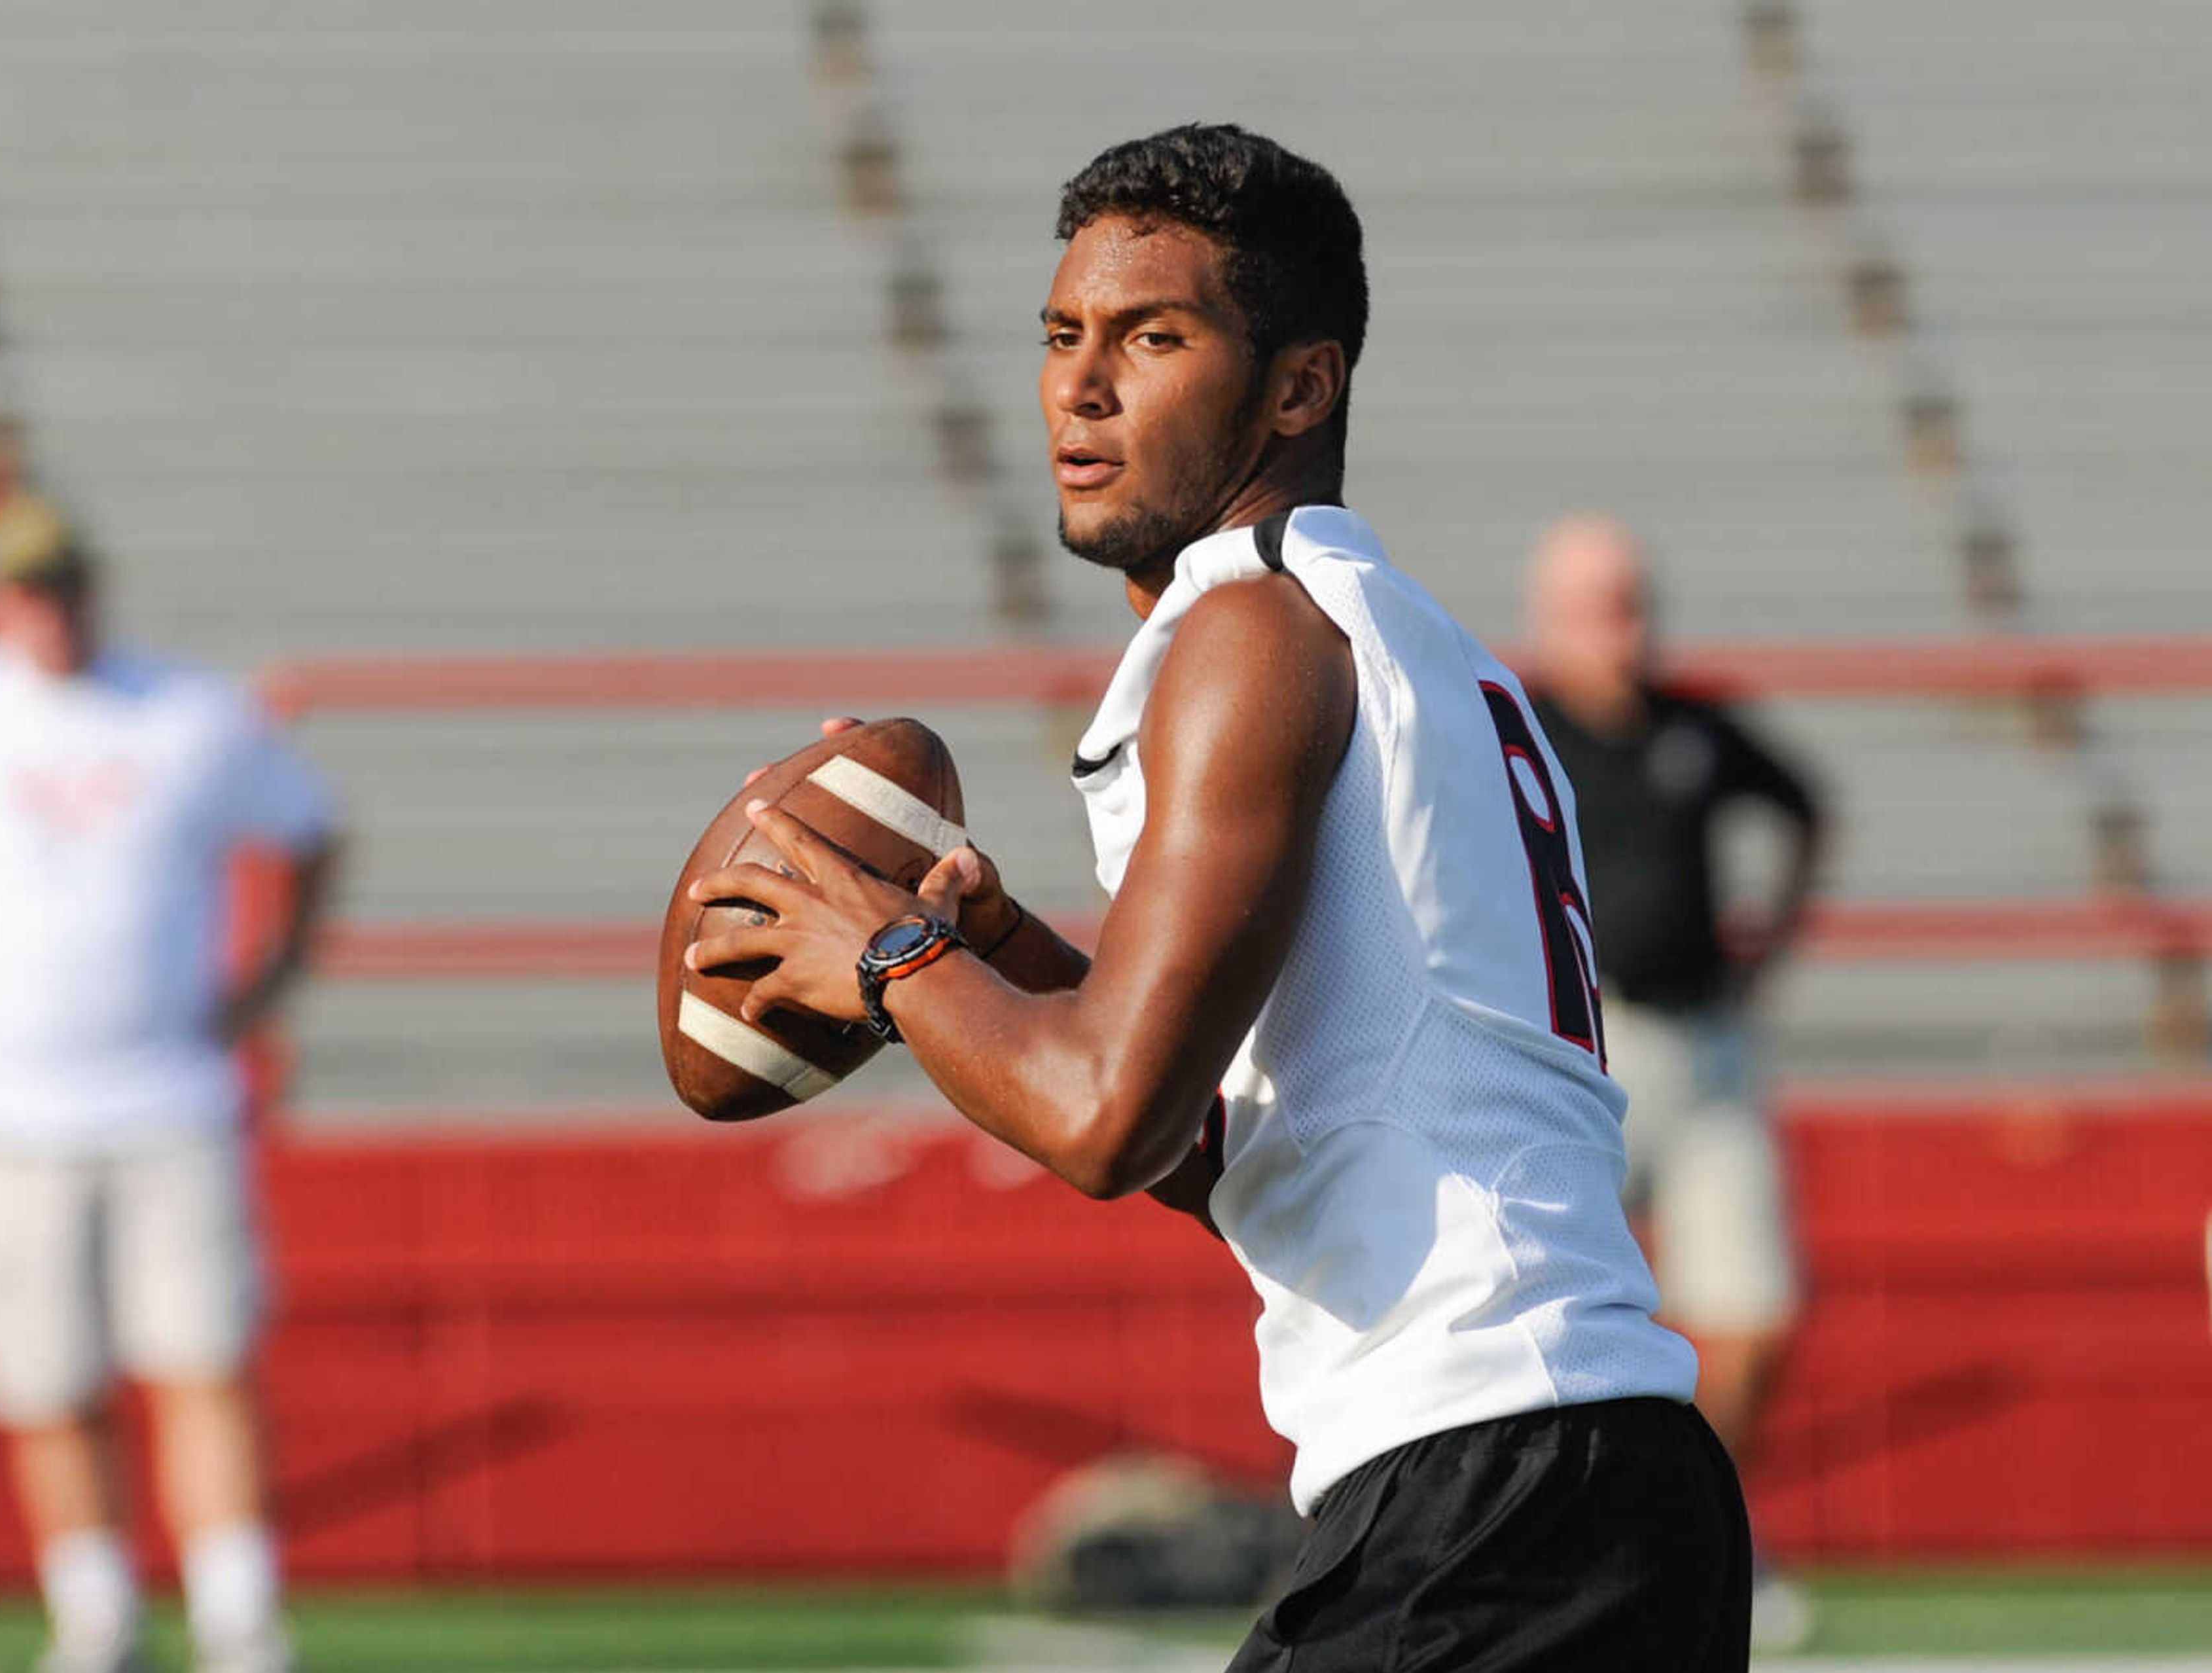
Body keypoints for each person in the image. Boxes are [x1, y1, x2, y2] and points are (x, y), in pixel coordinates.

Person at [688, 126, 1750, 1670]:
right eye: (1062, 334)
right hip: (1570, 1483)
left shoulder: (1250, 637)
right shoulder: (1402, 637)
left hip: (1495, 1491)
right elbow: (1220, 1147)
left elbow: (1106, 1120)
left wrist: (891, 956)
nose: (1080, 384)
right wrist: (993, 950)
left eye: (1152, 337)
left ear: (1300, 387)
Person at [0, 489, 341, 1673]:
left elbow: (311, 829)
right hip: (10, 1113)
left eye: (64, 587)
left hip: (170, 1099)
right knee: (48, 1379)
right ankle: (96, 1613)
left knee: (204, 1358)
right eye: (26, 591)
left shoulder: (189, 712)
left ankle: (241, 1618)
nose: (49, 613)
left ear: (95, 588)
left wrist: (271, 977)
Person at [1525, 511, 1827, 1651]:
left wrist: (1770, 943)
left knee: (1753, 1317)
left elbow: (1804, 811)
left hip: (1705, 1043)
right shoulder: (1517, 729)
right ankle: (1570, 1549)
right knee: (1561, 1323)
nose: (1624, 629)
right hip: (1581, 1053)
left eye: (1633, 601)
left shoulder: (1696, 725)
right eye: (1602, 605)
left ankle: (1689, 1533)